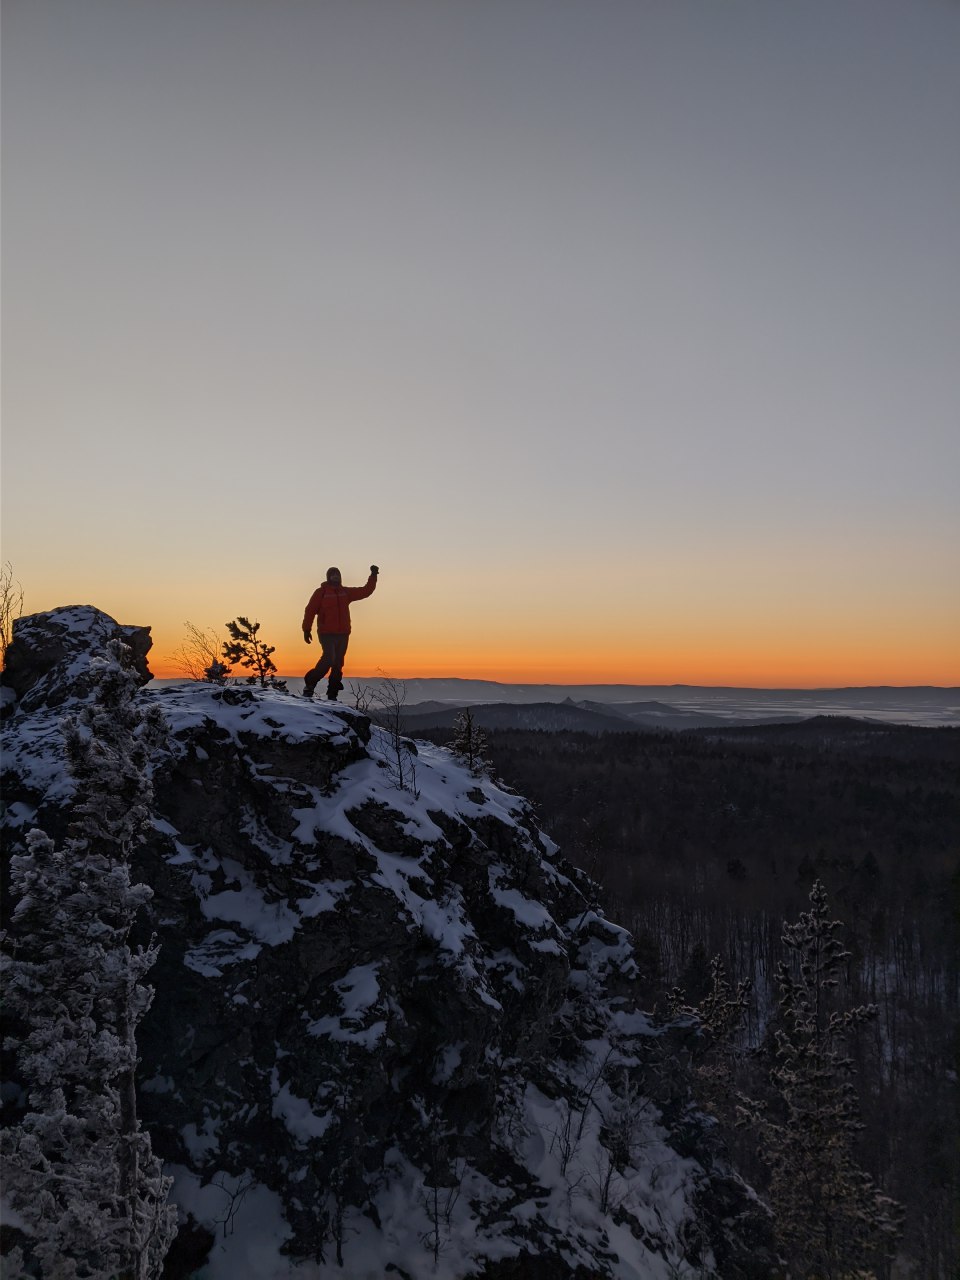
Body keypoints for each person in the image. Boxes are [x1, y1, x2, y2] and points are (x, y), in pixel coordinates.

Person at [302, 564, 379, 700]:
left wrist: (373, 575)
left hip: (343, 633)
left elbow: (365, 591)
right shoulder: (321, 592)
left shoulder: (345, 592)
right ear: (328, 577)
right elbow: (310, 610)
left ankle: (332, 694)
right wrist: (306, 629)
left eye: (337, 575)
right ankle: (310, 683)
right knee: (328, 659)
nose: (335, 577)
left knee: (338, 663)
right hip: (326, 633)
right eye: (333, 575)